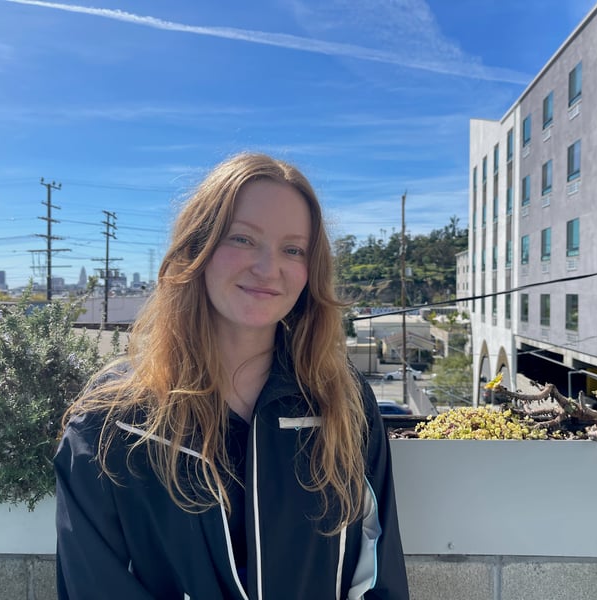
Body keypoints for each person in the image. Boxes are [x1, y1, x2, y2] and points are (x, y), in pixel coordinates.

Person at [54, 153, 410, 599]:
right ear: (196, 249)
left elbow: (377, 570)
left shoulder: (341, 401)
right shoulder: (113, 420)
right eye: (242, 239)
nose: (268, 268)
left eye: (293, 249)